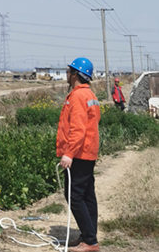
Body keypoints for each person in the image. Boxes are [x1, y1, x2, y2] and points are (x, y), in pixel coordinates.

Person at [57, 57, 102, 252]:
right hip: (88, 151)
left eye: (68, 71)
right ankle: (88, 236)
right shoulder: (89, 94)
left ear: (75, 74)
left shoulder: (77, 96)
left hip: (79, 153)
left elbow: (78, 129)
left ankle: (90, 241)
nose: (67, 74)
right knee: (87, 195)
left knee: (74, 196)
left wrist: (69, 153)